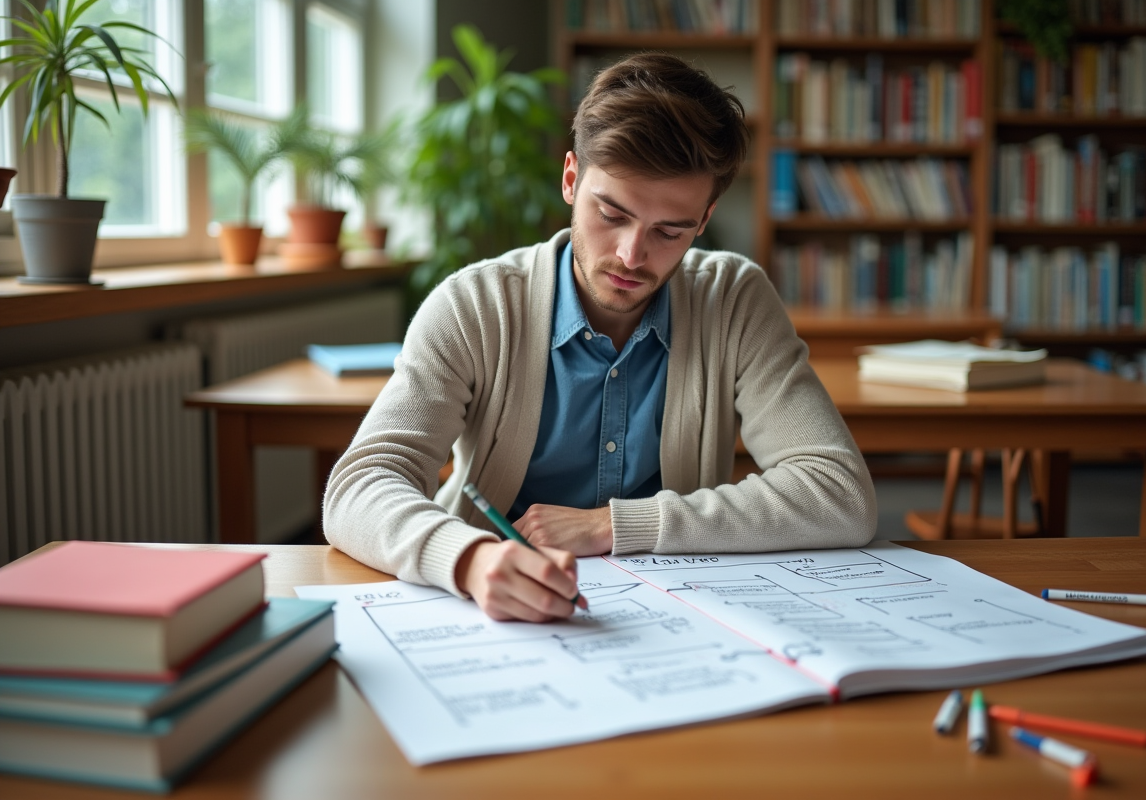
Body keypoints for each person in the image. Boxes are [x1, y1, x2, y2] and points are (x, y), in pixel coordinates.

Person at [323, 53, 876, 623]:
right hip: (488, 615)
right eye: (611, 213)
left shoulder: (733, 300)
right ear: (570, 179)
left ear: (704, 220)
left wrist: (614, 524)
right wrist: (469, 559)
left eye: (669, 231)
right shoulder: (474, 305)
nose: (632, 256)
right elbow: (359, 486)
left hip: (678, 614)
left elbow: (839, 494)